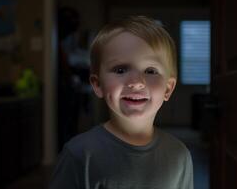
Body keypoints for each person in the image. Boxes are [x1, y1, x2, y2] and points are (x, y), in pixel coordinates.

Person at [49, 16, 194, 189]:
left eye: (150, 70)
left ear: (168, 89)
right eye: (120, 69)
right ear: (97, 84)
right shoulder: (79, 154)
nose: (136, 82)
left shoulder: (179, 155)